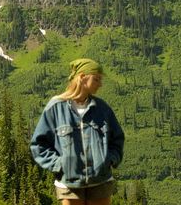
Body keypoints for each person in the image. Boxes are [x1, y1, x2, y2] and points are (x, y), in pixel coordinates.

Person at [30, 58, 125, 205]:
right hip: (69, 184)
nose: (100, 84)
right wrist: (60, 164)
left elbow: (117, 139)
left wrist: (109, 159)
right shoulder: (55, 108)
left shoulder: (102, 108)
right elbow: (39, 145)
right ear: (82, 77)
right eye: (96, 79)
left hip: (101, 182)